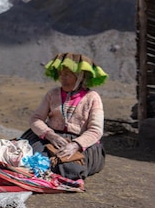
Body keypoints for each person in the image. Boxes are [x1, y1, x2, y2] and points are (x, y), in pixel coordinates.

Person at [20, 52, 109, 180]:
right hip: (51, 137)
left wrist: (75, 145)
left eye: (67, 74)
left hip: (81, 142)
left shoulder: (92, 97)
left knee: (71, 168)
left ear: (79, 76)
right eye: (61, 74)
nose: (62, 77)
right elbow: (36, 119)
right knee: (32, 159)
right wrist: (50, 134)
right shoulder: (52, 94)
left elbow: (96, 130)